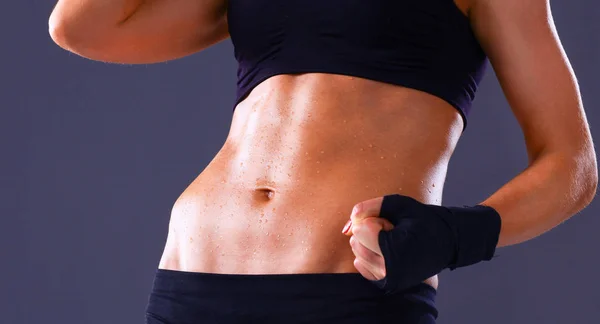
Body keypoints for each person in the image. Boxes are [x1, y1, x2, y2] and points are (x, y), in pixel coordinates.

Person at [49, 0, 597, 323]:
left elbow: (573, 163)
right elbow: (80, 23)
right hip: (194, 280)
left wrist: (454, 235)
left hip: (344, 291)